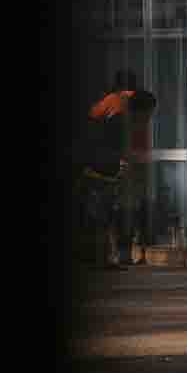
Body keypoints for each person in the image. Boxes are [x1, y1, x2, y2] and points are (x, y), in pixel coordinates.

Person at [79, 72, 157, 269]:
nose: (148, 119)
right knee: (103, 215)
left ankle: (105, 258)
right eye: (148, 114)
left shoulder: (117, 106)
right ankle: (102, 259)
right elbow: (103, 145)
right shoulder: (119, 116)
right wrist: (117, 164)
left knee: (106, 215)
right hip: (99, 170)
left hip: (105, 168)